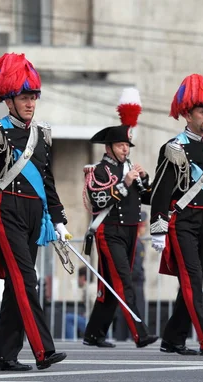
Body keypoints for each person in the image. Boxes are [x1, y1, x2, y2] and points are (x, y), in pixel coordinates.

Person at [0, 52, 69, 371]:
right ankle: (43, 350)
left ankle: (4, 355)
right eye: (24, 97)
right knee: (26, 279)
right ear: (9, 100)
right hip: (6, 209)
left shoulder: (42, 135)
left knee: (15, 286)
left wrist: (60, 219)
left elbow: (48, 182)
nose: (30, 103)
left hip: (35, 215)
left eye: (33, 97)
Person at [149, 74, 203, 356]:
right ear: (187, 113)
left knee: (194, 280)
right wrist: (158, 226)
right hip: (182, 221)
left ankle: (172, 338)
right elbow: (161, 191)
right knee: (193, 279)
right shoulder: (174, 148)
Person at [81, 89, 158, 349]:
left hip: (130, 232)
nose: (126, 149)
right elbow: (98, 200)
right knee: (123, 281)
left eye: (127, 145)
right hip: (109, 231)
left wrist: (144, 180)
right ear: (109, 147)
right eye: (121, 145)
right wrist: (124, 183)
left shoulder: (129, 169)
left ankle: (94, 333)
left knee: (111, 286)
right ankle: (140, 332)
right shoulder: (99, 170)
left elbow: (146, 198)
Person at [115, 211, 148, 342]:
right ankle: (139, 336)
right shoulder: (137, 244)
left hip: (128, 282)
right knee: (136, 311)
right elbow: (136, 267)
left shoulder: (132, 242)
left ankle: (125, 337)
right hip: (135, 283)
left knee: (125, 312)